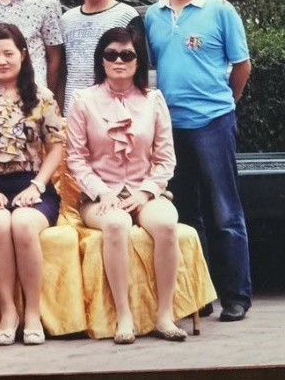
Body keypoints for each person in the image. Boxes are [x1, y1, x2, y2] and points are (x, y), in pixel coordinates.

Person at [144, 0, 252, 323]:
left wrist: (227, 103)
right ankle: (198, 297)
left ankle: (236, 296)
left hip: (213, 123)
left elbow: (242, 66)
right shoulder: (153, 15)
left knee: (224, 211)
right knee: (185, 213)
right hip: (170, 127)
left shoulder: (220, 11)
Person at [67, 27, 187, 344]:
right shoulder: (83, 101)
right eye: (111, 54)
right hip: (101, 196)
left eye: (127, 54)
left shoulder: (153, 100)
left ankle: (164, 315)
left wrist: (145, 192)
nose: (118, 61)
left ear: (139, 60)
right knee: (116, 223)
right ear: (101, 59)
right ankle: (124, 315)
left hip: (145, 190)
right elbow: (76, 158)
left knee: (166, 223)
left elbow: (166, 159)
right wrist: (102, 191)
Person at [0, 23, 64, 346]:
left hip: (34, 185)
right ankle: (8, 312)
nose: (1, 60)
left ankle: (32, 313)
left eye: (8, 53)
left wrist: (37, 186)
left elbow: (56, 147)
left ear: (23, 54)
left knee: (23, 223)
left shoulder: (42, 97)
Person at [60, 0, 143, 114]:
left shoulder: (127, 16)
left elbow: (139, 70)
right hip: (73, 110)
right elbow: (62, 70)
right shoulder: (66, 20)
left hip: (115, 112)